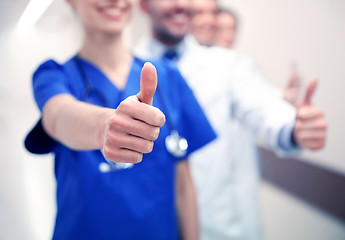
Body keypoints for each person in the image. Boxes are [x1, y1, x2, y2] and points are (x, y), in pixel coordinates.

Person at [133, 0, 327, 239]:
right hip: (153, 226)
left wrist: (293, 128)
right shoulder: (125, 66)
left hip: (220, 226)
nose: (182, 4)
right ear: (143, 5)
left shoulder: (228, 65)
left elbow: (264, 108)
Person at [24, 0, 217, 239]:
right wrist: (104, 127)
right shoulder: (54, 75)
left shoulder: (167, 76)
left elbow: (184, 186)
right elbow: (58, 117)